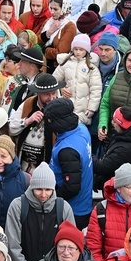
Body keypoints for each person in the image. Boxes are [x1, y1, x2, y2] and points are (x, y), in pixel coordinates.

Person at [4, 162, 75, 261]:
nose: (43, 194)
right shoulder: (18, 206)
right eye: (38, 189)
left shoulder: (63, 208)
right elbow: (13, 246)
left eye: (48, 189)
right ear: (31, 187)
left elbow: (71, 245)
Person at [42, 98, 94, 230]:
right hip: (83, 204)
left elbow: (72, 187)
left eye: (50, 121)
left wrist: (49, 199)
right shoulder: (81, 129)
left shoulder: (67, 150)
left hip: (72, 211)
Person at [8, 73, 60, 174]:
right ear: (38, 93)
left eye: (53, 93)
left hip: (47, 166)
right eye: (47, 94)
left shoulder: (60, 108)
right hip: (23, 164)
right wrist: (27, 121)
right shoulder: (28, 103)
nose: (52, 98)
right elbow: (11, 129)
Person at [92, 107, 131, 189]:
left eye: (115, 122)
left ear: (122, 126)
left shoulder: (126, 150)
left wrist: (87, 154)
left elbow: (102, 167)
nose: (112, 123)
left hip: (122, 192)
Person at [52, 34, 102, 126]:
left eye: (81, 49)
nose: (78, 52)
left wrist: (92, 108)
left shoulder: (92, 68)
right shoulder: (65, 64)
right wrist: (61, 89)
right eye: (76, 49)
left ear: (86, 50)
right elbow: (53, 81)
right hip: (65, 108)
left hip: (82, 111)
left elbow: (96, 89)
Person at [42, 0, 77, 73]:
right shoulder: (48, 21)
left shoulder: (69, 26)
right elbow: (36, 40)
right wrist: (48, 33)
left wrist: (45, 50)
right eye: (50, 8)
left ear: (64, 9)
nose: (52, 12)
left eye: (55, 9)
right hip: (43, 63)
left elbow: (60, 52)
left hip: (56, 68)